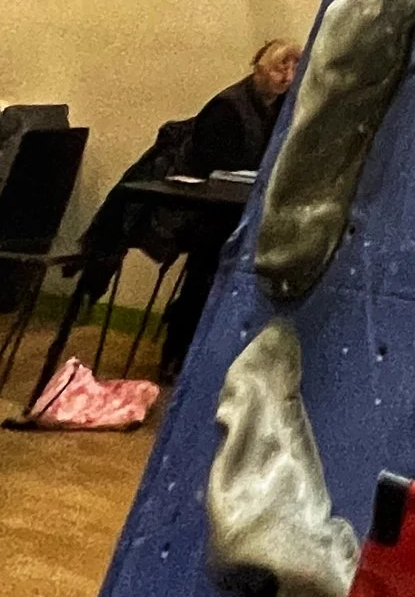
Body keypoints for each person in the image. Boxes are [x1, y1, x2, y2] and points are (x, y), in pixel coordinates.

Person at [62, 40, 300, 378]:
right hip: (194, 214)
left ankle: (221, 350)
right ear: (258, 66)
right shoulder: (228, 107)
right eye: (280, 67)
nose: (287, 76)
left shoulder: (280, 109)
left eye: (293, 68)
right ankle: (179, 352)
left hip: (234, 211)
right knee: (213, 257)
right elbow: (214, 167)